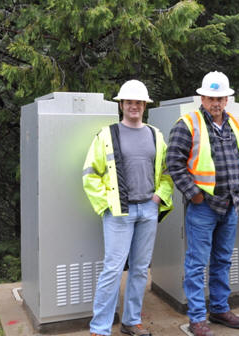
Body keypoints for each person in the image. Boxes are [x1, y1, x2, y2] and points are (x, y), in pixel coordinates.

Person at [82, 80, 174, 336]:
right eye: (129, 102)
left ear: (145, 106)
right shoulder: (107, 135)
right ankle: (100, 328)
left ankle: (131, 321)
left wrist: (158, 197)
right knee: (113, 270)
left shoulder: (156, 135)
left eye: (139, 102)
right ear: (121, 105)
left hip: (148, 210)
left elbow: (167, 174)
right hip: (119, 214)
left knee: (140, 270)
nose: (134, 106)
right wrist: (106, 206)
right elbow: (90, 175)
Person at [166, 71, 239, 336]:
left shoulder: (237, 125)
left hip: (230, 204)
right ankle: (196, 318)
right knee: (196, 263)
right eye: (211, 98)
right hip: (203, 207)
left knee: (223, 260)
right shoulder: (187, 123)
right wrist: (194, 194)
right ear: (202, 98)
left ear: (227, 99)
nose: (216, 102)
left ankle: (218, 308)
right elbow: (174, 162)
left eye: (220, 98)